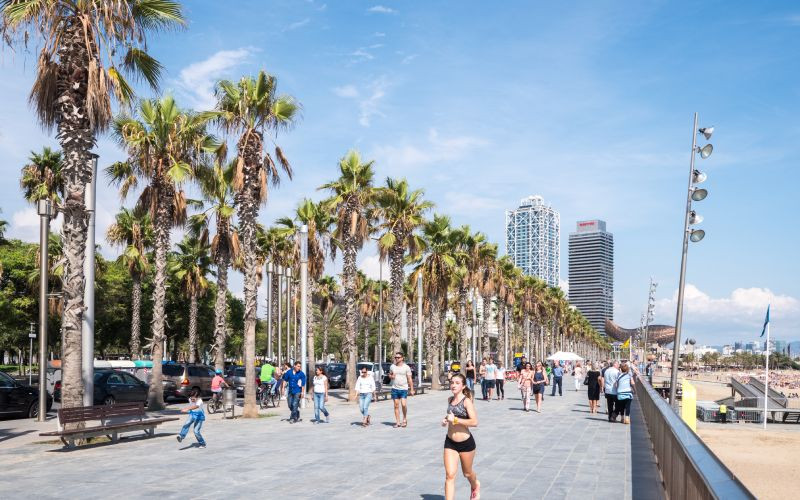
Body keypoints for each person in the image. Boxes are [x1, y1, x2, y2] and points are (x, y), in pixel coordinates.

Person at [442, 373, 480, 500]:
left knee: (467, 473)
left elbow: (474, 422)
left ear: (463, 386)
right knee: (449, 475)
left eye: (457, 383)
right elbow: (450, 417)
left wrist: (456, 420)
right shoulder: (449, 400)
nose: (453, 385)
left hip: (466, 444)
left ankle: (475, 485)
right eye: (452, 382)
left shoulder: (467, 401)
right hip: (450, 442)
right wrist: (446, 420)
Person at [389, 351, 415, 428]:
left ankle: (404, 419)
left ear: (402, 358)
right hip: (394, 388)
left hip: (404, 388)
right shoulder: (392, 366)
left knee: (403, 404)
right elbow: (390, 374)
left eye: (398, 357)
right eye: (395, 357)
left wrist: (412, 389)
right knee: (396, 405)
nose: (396, 358)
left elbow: (409, 379)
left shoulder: (406, 367)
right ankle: (398, 422)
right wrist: (391, 376)